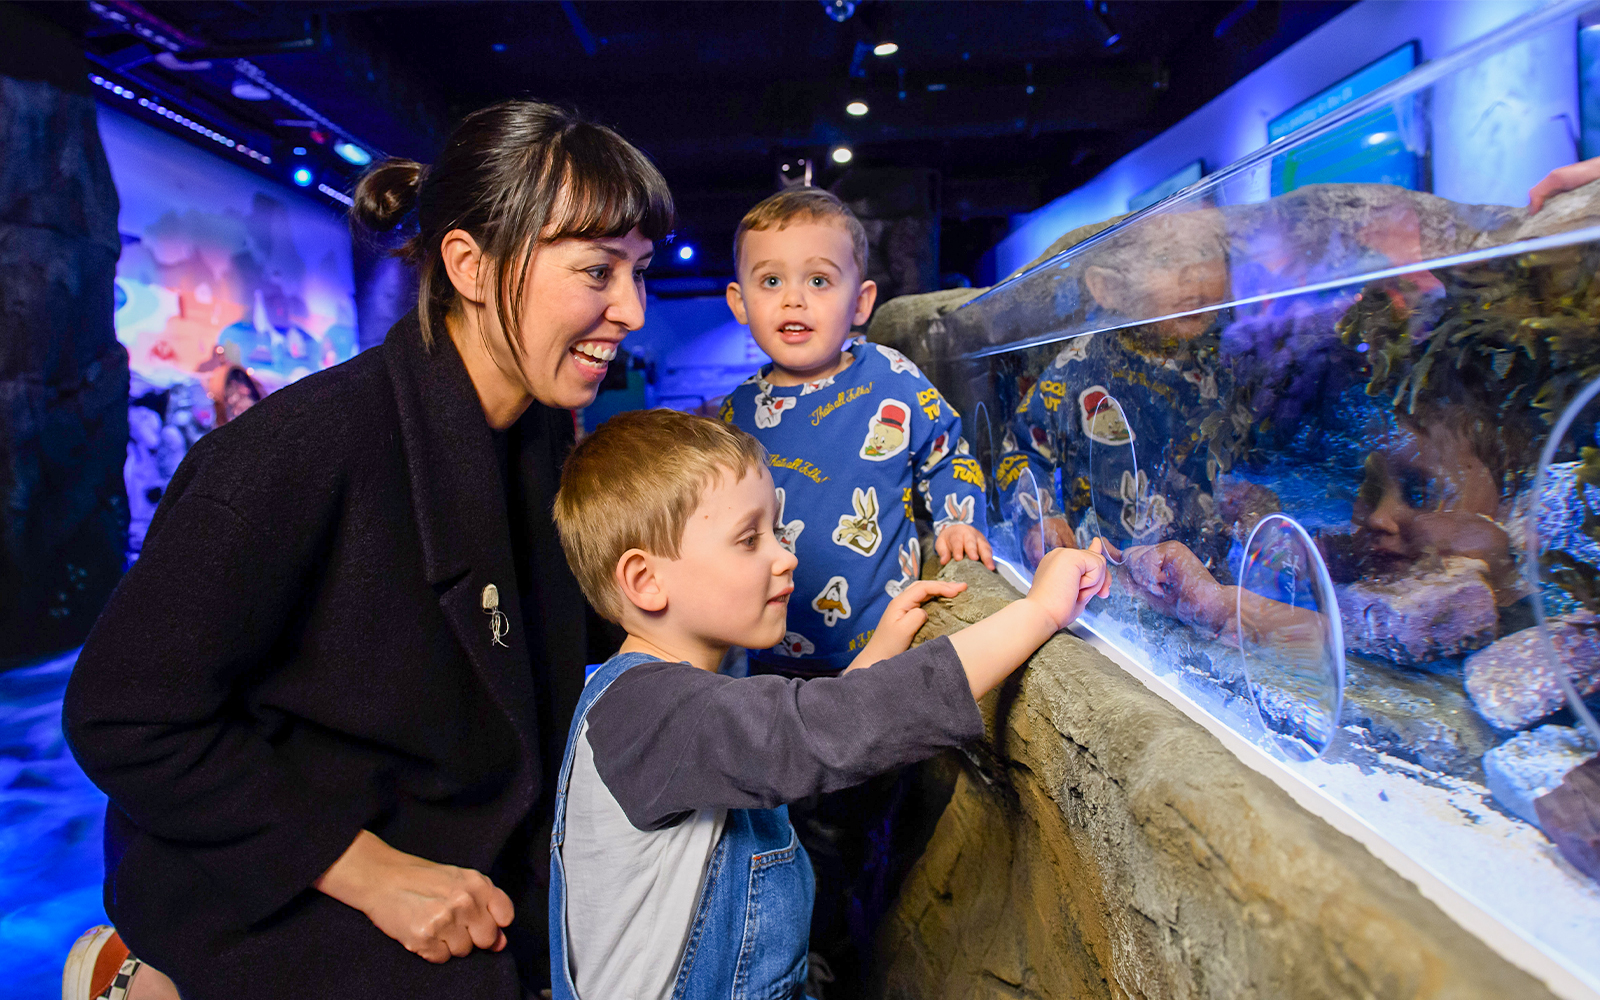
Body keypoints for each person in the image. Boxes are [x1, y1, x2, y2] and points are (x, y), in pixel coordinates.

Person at [62, 99, 669, 1000]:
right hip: (285, 870)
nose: (633, 311)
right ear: (469, 264)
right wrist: (364, 869)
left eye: (639, 272)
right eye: (597, 271)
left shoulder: (541, 443)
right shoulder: (296, 452)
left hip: (469, 844)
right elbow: (122, 718)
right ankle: (137, 976)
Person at [545, 408, 1111, 1000]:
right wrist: (1038, 613)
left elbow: (794, 738)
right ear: (645, 582)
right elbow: (817, 735)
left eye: (777, 530)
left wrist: (879, 654)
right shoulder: (646, 713)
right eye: (748, 538)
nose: (786, 555)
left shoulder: (666, 699)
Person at [719, 187, 993, 674]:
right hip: (771, 656)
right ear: (740, 303)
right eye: (772, 280)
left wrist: (957, 520)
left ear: (862, 302)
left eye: (820, 279)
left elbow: (948, 452)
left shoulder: (890, 376)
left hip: (888, 644)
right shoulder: (736, 413)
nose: (794, 299)